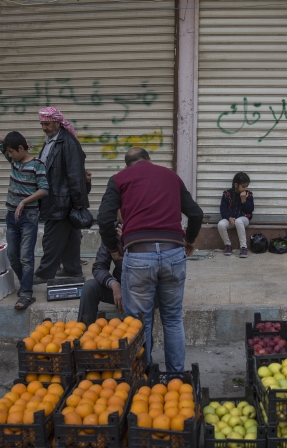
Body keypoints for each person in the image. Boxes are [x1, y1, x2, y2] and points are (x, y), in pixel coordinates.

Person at [97, 147, 203, 372]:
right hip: (174, 252)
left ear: (127, 165)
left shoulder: (119, 179)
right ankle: (176, 377)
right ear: (149, 160)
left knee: (138, 322)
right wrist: (190, 240)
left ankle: (143, 376)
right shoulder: (171, 176)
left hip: (138, 255)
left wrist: (114, 250)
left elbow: (105, 219)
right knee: (173, 318)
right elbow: (195, 213)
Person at [33, 107, 89, 283]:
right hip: (56, 198)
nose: (44, 128)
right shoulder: (51, 140)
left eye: (47, 124)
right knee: (71, 238)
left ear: (57, 122)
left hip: (61, 200)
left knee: (52, 238)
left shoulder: (68, 143)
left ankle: (44, 273)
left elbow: (75, 174)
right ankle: (73, 270)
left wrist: (78, 200)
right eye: (42, 124)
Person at [0, 131, 49, 310]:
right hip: (11, 215)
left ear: (20, 149)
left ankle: (26, 293)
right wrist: (22, 141)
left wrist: (24, 201)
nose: (9, 155)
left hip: (29, 216)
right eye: (8, 152)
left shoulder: (37, 165)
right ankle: (26, 281)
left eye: (11, 151)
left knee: (26, 256)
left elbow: (44, 189)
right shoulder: (14, 161)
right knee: (13, 255)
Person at [218, 172, 254, 258]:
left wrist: (244, 200)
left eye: (247, 186)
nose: (245, 188)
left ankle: (243, 247)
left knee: (238, 221)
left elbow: (250, 210)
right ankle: (227, 245)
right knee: (221, 224)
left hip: (243, 219)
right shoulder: (227, 194)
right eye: (243, 186)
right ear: (236, 185)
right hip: (230, 219)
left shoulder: (248, 194)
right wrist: (229, 217)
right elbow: (223, 209)